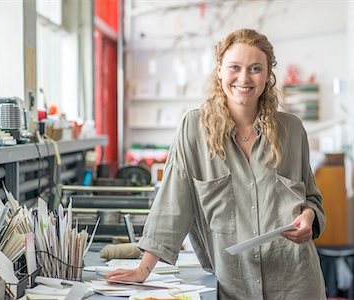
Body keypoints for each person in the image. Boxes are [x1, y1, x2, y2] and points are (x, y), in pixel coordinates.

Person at [105, 28, 326, 299]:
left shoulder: (292, 130)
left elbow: (312, 199)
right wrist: (144, 269)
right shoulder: (194, 129)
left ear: (268, 75)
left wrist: (309, 216)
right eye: (235, 67)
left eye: (255, 68)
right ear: (220, 70)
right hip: (232, 286)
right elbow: (174, 201)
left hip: (294, 284)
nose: (244, 78)